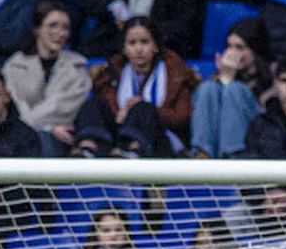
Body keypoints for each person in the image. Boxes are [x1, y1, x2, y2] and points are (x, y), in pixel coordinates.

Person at [78, 14, 200, 156]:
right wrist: (122, 115)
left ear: (155, 46)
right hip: (116, 143)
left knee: (143, 108)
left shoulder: (175, 72)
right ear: (124, 48)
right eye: (132, 43)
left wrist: (139, 113)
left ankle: (134, 150)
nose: (139, 49)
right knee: (94, 104)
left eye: (144, 42)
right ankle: (87, 151)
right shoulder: (110, 74)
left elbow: (181, 117)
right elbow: (107, 116)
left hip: (161, 142)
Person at [3, 0, 91, 153]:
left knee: (44, 139)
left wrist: (44, 130)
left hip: (59, 140)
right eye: (53, 25)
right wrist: (49, 128)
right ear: (37, 29)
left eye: (65, 27)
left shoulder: (78, 67)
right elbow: (15, 107)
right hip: (20, 136)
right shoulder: (14, 65)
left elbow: (60, 108)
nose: (60, 33)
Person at [189, 16, 270, 158]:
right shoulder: (217, 78)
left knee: (234, 90)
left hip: (250, 147)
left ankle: (231, 158)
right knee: (208, 88)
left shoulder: (272, 79)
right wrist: (223, 78)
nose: (232, 53)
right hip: (214, 145)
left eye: (239, 47)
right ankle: (201, 155)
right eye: (229, 46)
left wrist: (228, 80)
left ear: (255, 49)